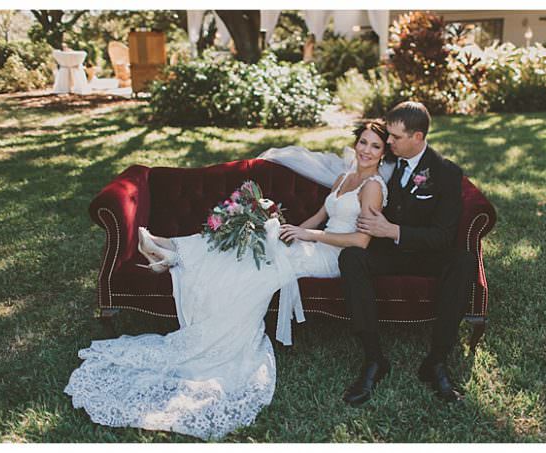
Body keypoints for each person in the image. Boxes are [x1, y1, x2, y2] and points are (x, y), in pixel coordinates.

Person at [64, 120, 392, 439]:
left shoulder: (373, 187)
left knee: (254, 263)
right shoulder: (343, 177)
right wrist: (289, 233)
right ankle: (171, 248)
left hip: (330, 257)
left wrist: (308, 235)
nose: (366, 150)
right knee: (253, 245)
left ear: (383, 153)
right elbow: (319, 216)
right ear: (355, 143)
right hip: (311, 243)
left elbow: (360, 241)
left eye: (374, 146)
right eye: (362, 142)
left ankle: (172, 251)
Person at [338, 102, 477, 405]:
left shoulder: (446, 172)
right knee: (350, 257)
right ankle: (374, 359)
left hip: (427, 254)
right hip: (387, 253)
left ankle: (436, 361)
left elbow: (443, 235)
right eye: (387, 135)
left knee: (464, 262)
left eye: (395, 137)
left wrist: (393, 230)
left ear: (417, 137)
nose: (387, 143)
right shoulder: (385, 161)